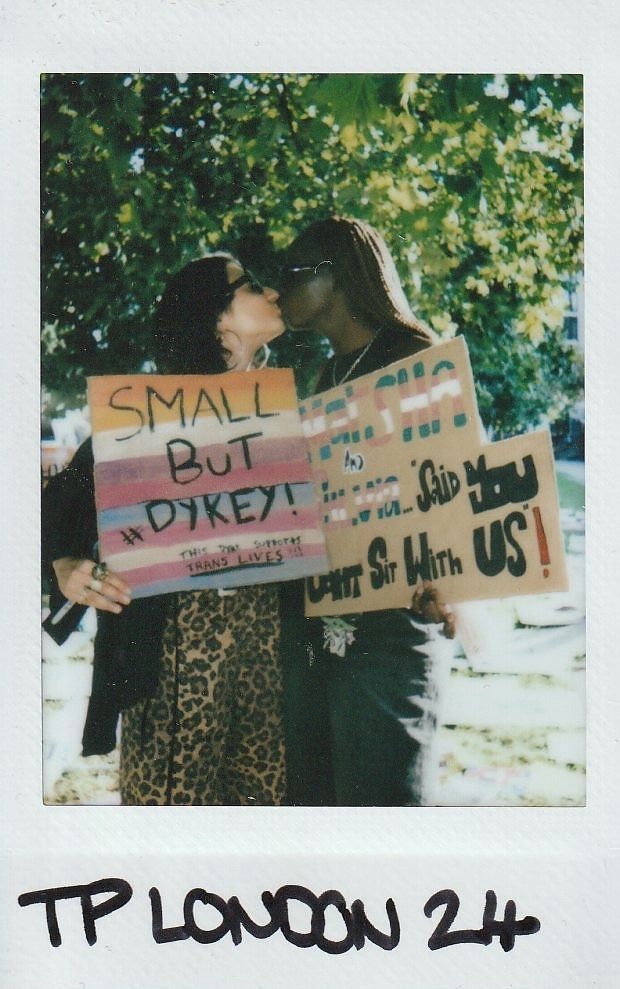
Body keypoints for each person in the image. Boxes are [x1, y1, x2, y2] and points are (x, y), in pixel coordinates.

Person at [42, 254, 288, 806]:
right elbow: (59, 505)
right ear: (216, 318)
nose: (272, 291)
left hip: (269, 655)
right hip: (173, 650)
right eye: (251, 285)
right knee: (171, 829)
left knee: (264, 827)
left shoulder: (286, 412)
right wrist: (63, 566)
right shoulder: (147, 415)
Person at [279, 216, 455, 807]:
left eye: (295, 275)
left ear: (338, 278)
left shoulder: (418, 357)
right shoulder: (326, 374)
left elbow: (454, 486)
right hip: (322, 630)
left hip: (391, 631)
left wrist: (456, 584)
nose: (281, 291)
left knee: (382, 810)